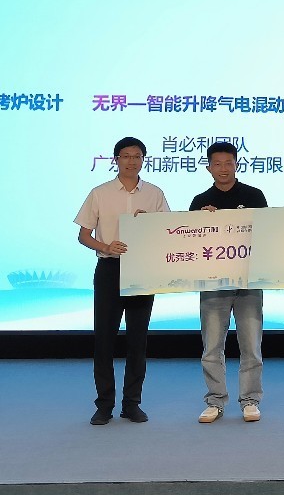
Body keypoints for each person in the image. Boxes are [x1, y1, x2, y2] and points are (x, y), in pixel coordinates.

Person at [75, 136, 170, 425]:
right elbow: (83, 235)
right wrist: (105, 246)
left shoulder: (154, 193)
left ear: (144, 160)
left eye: (137, 156)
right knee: (104, 340)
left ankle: (132, 404)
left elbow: (167, 231)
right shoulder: (100, 193)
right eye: (126, 156)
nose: (132, 161)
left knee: (137, 341)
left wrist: (149, 224)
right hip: (109, 270)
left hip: (142, 270)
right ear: (116, 160)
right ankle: (104, 405)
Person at [189, 141, 268, 424]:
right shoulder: (199, 202)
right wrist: (202, 222)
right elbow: (189, 243)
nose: (223, 168)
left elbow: (267, 233)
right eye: (217, 164)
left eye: (228, 163)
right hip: (213, 284)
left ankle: (250, 400)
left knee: (251, 346)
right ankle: (215, 401)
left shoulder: (254, 195)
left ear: (236, 164)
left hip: (248, 281)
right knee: (212, 347)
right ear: (209, 167)